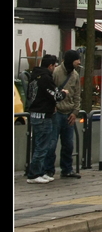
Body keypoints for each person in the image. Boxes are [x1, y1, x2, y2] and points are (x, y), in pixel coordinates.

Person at [25, 54, 61, 184]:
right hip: (43, 115)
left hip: (35, 114)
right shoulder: (45, 78)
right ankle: (34, 174)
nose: (54, 68)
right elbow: (56, 95)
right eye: (54, 66)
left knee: (40, 145)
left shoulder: (34, 76)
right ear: (50, 65)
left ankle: (39, 172)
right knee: (42, 146)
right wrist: (63, 93)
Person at [50, 50, 83, 179]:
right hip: (57, 112)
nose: (79, 62)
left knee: (68, 144)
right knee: (52, 143)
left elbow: (77, 95)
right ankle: (49, 169)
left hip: (69, 113)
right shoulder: (56, 73)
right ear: (71, 60)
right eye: (77, 60)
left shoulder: (75, 75)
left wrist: (75, 112)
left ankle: (67, 169)